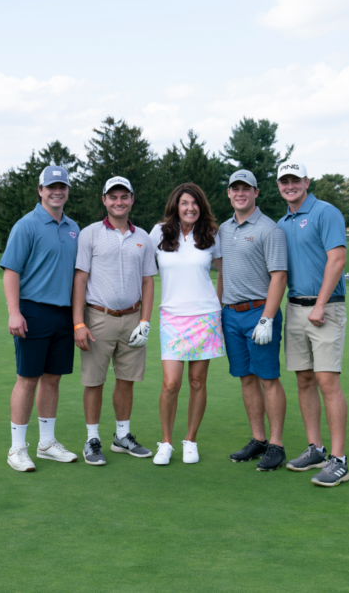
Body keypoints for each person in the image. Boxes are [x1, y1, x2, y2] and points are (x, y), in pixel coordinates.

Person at [0, 165, 80, 472]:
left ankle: (46, 443)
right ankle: (17, 448)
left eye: (62, 187)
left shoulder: (74, 228)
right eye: (51, 187)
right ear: (40, 190)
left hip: (63, 314)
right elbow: (11, 271)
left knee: (53, 379)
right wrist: (14, 312)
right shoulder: (27, 225)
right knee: (27, 379)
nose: (57, 191)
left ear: (67, 191)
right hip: (32, 310)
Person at [72, 176, 158, 466]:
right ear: (104, 200)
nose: (118, 202)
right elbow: (80, 279)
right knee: (94, 381)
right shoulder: (90, 234)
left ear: (132, 199)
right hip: (98, 317)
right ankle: (92, 439)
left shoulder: (143, 237)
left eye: (124, 197)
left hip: (133, 318)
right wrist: (78, 323)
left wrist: (145, 321)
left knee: (126, 379)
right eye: (113, 197)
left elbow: (148, 283)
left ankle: (122, 436)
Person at [276, 162, 349, 487]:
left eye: (295, 180)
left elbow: (337, 259)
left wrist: (319, 305)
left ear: (306, 182)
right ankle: (315, 449)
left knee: (326, 381)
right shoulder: (282, 222)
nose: (290, 185)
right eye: (284, 181)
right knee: (304, 379)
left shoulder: (325, 212)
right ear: (279, 186)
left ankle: (339, 460)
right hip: (294, 308)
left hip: (326, 308)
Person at [216, 169, 290, 472]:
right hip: (230, 314)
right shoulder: (223, 229)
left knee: (268, 378)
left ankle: (277, 444)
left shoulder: (269, 229)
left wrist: (267, 318)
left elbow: (279, 276)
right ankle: (258, 439)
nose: (240, 193)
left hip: (259, 313)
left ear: (256, 192)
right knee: (246, 378)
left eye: (246, 188)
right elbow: (222, 273)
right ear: (229, 193)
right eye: (235, 188)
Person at [149, 183, 225, 466]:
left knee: (197, 381)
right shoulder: (158, 232)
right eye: (184, 203)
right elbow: (143, 269)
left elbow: (222, 273)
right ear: (175, 206)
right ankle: (166, 441)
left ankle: (190, 440)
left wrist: (216, 306)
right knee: (171, 383)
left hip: (205, 317)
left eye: (194, 203)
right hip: (171, 316)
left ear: (201, 206)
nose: (190, 207)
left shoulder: (210, 234)